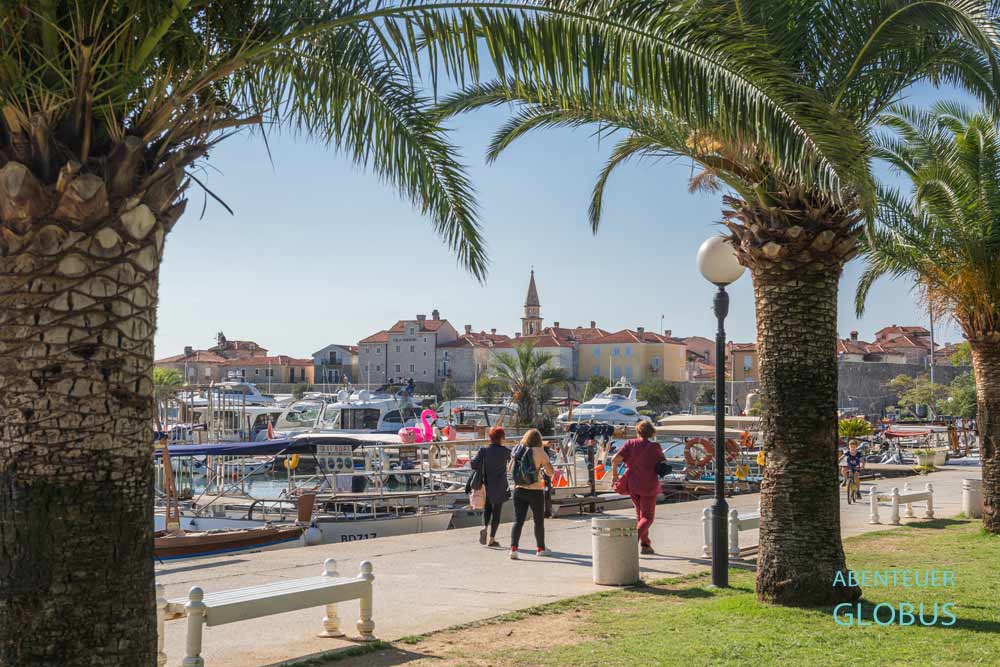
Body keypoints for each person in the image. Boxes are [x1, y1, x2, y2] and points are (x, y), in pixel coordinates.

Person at [611, 420, 666, 555]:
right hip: (648, 485)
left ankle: (646, 545)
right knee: (647, 517)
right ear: (652, 432)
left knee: (640, 516)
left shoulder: (630, 444)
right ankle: (631, 541)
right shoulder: (655, 447)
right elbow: (664, 463)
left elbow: (614, 459)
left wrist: (615, 475)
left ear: (638, 432)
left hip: (633, 484)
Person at [508, 429, 555, 559]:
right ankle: (540, 548)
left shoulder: (518, 450)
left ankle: (513, 549)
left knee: (518, 521)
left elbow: (510, 469)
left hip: (519, 490)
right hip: (535, 491)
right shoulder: (540, 451)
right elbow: (550, 472)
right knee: (538, 521)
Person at [469, 426, 511, 547]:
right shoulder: (505, 451)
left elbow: (473, 464)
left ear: (490, 437)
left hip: (486, 484)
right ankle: (492, 539)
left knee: (487, 508)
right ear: (502, 437)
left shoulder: (483, 451)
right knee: (497, 512)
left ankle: (484, 527)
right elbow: (513, 462)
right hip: (500, 485)